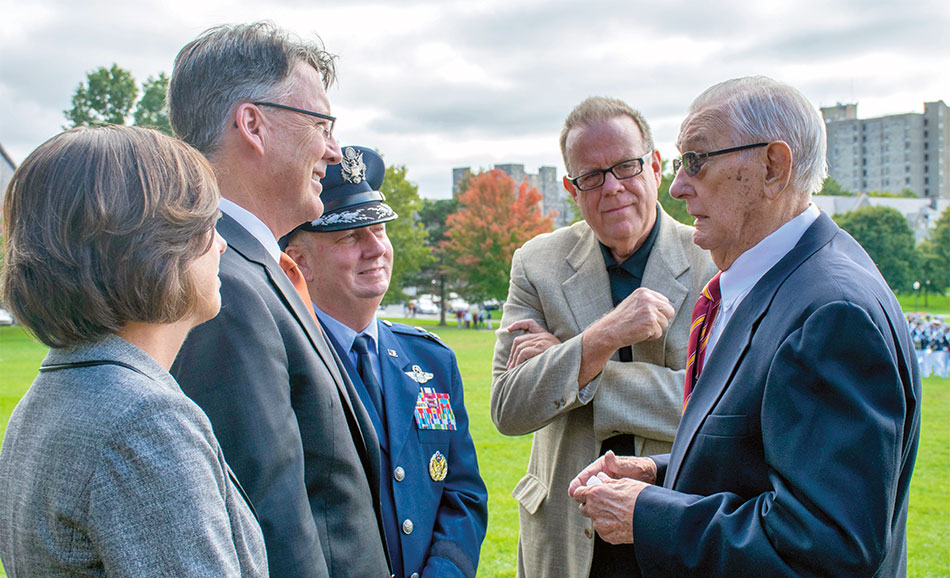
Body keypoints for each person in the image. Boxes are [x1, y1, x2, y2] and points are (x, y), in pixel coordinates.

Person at [569, 76, 921, 578]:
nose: (676, 185)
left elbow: (824, 547)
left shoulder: (830, 313)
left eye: (697, 160)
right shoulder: (776, 282)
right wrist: (658, 473)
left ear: (773, 167)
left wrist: (646, 513)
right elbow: (764, 460)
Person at [166, 23, 389, 577]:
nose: (334, 152)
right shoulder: (222, 288)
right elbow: (272, 523)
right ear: (253, 124)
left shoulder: (252, 269)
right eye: (321, 124)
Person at [0, 125, 267, 576]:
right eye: (206, 225)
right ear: (154, 246)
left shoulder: (59, 390)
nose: (220, 244)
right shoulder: (144, 422)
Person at [490, 97, 716, 578]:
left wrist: (579, 369)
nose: (611, 187)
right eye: (591, 176)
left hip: (672, 521)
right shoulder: (536, 263)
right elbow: (509, 408)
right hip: (566, 535)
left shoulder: (713, 261)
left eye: (626, 167)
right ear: (573, 188)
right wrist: (602, 337)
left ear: (655, 167)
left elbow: (713, 404)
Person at [282, 146, 488, 578]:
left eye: (379, 230)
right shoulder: (285, 363)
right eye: (351, 237)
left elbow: (463, 493)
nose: (376, 248)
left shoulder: (431, 360)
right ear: (300, 261)